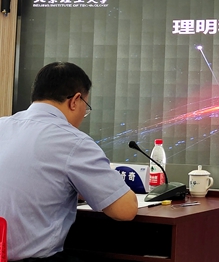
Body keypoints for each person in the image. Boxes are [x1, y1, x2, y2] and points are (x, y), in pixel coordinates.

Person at [0, 62, 138, 262]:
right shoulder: (73, 140)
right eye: (85, 107)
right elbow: (125, 210)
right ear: (75, 100)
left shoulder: (2, 125)